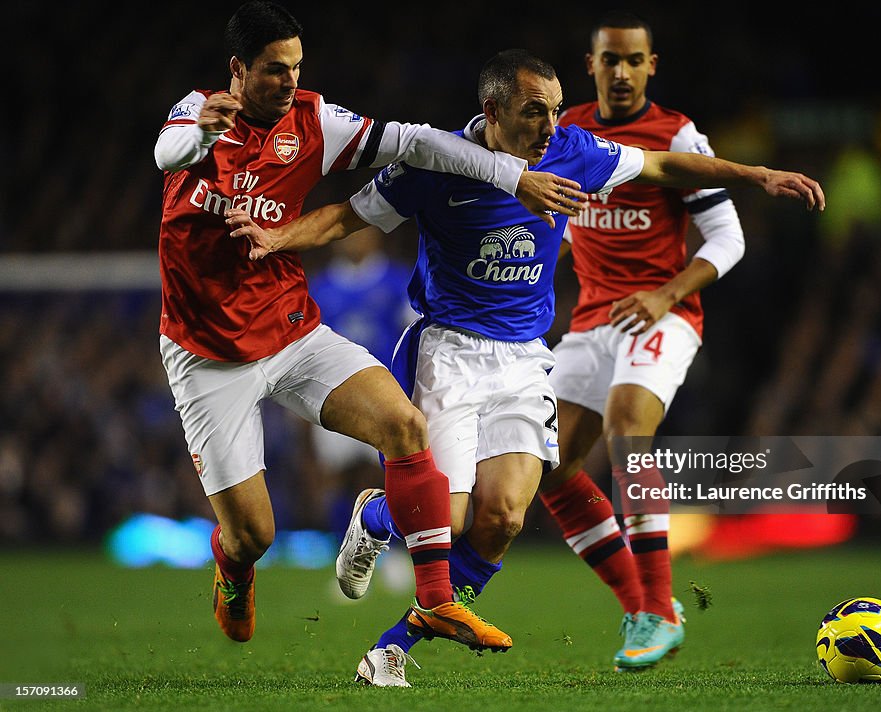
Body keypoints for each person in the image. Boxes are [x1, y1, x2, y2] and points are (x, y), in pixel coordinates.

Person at [225, 48, 823, 686]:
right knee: (446, 521)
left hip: (524, 359)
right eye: (534, 111)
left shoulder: (572, 151)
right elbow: (347, 217)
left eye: (556, 109)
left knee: (505, 515)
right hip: (448, 353)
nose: (549, 124)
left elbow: (660, 164)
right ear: (491, 111)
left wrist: (753, 173)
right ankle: (376, 516)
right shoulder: (435, 161)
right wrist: (279, 238)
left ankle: (393, 647)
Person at [155, 0, 587, 647]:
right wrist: (205, 135)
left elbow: (414, 141)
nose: (290, 82)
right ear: (238, 71)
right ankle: (234, 568)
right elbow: (169, 152)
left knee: (405, 426)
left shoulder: (315, 121)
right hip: (208, 354)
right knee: (255, 534)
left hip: (292, 331)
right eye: (275, 70)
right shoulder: (196, 112)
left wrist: (512, 174)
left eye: (297, 67)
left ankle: (437, 601)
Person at [537, 11, 750, 672]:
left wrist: (665, 294)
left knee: (629, 427)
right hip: (593, 320)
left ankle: (657, 607)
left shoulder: (674, 135)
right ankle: (644, 606)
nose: (622, 72)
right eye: (611, 61)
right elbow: (564, 220)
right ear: (591, 64)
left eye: (634, 61)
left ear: (651, 65)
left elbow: (728, 238)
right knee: (549, 465)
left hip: (663, 314)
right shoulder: (565, 130)